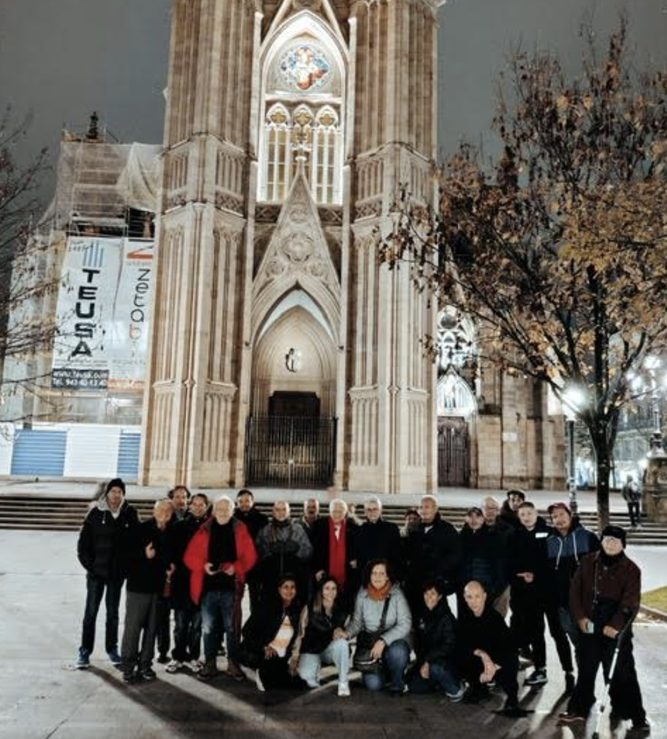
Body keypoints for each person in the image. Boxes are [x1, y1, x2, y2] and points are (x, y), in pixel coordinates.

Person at [558, 526, 650, 735]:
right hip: (590, 623)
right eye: (607, 540)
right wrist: (580, 617)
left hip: (616, 628)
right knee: (587, 670)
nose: (610, 544)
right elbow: (575, 591)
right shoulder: (588, 561)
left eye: (615, 541)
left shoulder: (631, 569)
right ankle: (577, 709)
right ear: (601, 541)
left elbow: (631, 602)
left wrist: (616, 625)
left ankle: (637, 717)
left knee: (623, 673)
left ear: (623, 545)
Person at [183, 495, 258, 681]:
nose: (222, 512)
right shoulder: (204, 529)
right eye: (219, 509)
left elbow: (251, 556)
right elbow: (189, 556)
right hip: (208, 588)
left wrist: (236, 568)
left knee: (232, 627)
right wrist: (203, 566)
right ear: (214, 510)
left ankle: (233, 664)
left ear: (233, 510)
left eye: (226, 509)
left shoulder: (240, 528)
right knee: (208, 628)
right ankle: (210, 664)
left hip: (231, 588)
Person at [75, 478, 138, 669]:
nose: (116, 495)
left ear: (123, 494)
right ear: (107, 493)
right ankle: (85, 651)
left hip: (116, 576)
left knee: (113, 614)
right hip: (96, 574)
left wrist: (126, 569)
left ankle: (112, 649)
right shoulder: (95, 513)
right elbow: (82, 545)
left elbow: (136, 543)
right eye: (113, 491)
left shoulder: (130, 513)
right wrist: (91, 567)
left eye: (120, 491)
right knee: (91, 613)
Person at [510, 501, 567, 688]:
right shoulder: (515, 534)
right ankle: (541, 669)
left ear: (536, 513)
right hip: (527, 594)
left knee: (557, 632)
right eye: (522, 514)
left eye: (529, 513)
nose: (526, 517)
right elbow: (510, 563)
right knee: (536, 632)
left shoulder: (549, 532)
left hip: (549, 592)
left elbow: (554, 563)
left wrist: (537, 575)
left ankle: (569, 669)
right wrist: (520, 575)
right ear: (519, 517)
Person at [121, 498, 175, 682]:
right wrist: (143, 555)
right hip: (138, 588)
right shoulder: (140, 529)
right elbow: (125, 557)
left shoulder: (170, 532)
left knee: (152, 630)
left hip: (158, 590)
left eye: (169, 511)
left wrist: (170, 568)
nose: (165, 513)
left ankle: (145, 665)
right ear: (154, 512)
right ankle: (128, 667)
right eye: (161, 510)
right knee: (133, 629)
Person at [340, 559, 412, 695]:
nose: (377, 577)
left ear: (387, 576)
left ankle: (397, 683)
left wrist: (384, 640)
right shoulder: (362, 594)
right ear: (369, 575)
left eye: (381, 573)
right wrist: (347, 633)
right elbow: (357, 622)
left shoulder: (397, 594)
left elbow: (406, 623)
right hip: (371, 644)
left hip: (394, 642)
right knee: (374, 685)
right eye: (374, 573)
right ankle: (386, 672)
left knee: (398, 653)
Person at [456, 580, 524, 716]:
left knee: (511, 659)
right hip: (480, 661)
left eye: (477, 596)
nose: (473, 601)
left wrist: (494, 666)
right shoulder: (464, 619)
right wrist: (482, 655)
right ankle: (478, 686)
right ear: (464, 598)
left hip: (497, 661)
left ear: (484, 596)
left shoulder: (495, 618)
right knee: (459, 656)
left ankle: (512, 699)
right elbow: (462, 645)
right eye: (469, 597)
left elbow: (508, 648)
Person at [546, 502, 599, 664]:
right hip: (562, 600)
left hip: (587, 600)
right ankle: (584, 668)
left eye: (562, 514)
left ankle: (586, 675)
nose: (559, 519)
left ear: (570, 515)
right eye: (554, 517)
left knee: (589, 635)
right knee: (573, 634)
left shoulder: (588, 536)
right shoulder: (549, 541)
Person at [166, 492, 210, 674]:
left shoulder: (211, 528)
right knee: (181, 624)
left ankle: (193, 657)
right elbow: (173, 553)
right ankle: (177, 656)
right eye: (195, 504)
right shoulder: (180, 526)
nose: (198, 507)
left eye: (202, 504)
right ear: (190, 506)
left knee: (197, 626)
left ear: (206, 507)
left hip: (203, 583)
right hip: (182, 583)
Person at [238, 575, 304, 691]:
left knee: (298, 684)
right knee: (269, 684)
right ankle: (258, 672)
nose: (289, 591)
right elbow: (246, 630)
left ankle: (273, 672)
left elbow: (298, 636)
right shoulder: (267, 606)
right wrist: (264, 647)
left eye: (292, 587)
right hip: (262, 653)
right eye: (286, 587)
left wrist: (293, 659)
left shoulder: (296, 610)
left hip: (281, 656)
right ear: (279, 590)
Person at [408, 579, 465, 701]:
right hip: (428, 661)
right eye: (426, 594)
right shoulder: (421, 615)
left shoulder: (446, 617)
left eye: (433, 594)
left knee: (436, 668)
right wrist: (421, 664)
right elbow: (419, 644)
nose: (429, 597)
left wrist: (428, 662)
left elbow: (448, 646)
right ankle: (439, 684)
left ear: (439, 597)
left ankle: (457, 688)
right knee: (413, 686)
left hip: (446, 662)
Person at [293, 577, 351, 696]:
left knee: (342, 643)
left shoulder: (342, 609)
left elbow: (349, 631)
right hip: (312, 649)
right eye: (327, 588)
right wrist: (295, 658)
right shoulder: (309, 608)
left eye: (334, 589)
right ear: (320, 590)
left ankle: (343, 682)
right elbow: (300, 634)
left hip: (329, 650)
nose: (331, 592)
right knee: (306, 676)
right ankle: (315, 666)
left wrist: (343, 631)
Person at [405, 494, 460, 617]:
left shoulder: (447, 529)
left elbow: (455, 556)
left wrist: (439, 571)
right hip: (416, 584)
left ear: (435, 509)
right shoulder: (415, 529)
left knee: (437, 618)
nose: (424, 510)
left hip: (436, 585)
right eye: (421, 507)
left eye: (427, 507)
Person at [154, 485, 189, 663]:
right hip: (165, 574)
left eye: (184, 497)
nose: (180, 500)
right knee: (163, 616)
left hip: (182, 575)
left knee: (181, 618)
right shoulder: (165, 518)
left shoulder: (191, 518)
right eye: (177, 497)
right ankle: (162, 650)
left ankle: (180, 651)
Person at [255, 500, 313, 600]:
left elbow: (308, 550)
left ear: (289, 511)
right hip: (272, 577)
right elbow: (257, 550)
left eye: (284, 509)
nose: (281, 512)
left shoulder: (298, 529)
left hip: (294, 576)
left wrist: (296, 551)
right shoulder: (265, 530)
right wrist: (269, 552)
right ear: (273, 512)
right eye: (277, 510)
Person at [457, 506, 507, 615]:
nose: (474, 520)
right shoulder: (460, 538)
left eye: (477, 516)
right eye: (470, 516)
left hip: (486, 591)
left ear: (483, 518)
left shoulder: (494, 538)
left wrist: (493, 591)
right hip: (465, 593)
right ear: (466, 519)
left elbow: (501, 568)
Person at [311, 499, 357, 601]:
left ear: (345, 512)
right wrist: (316, 569)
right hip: (324, 571)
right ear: (329, 511)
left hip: (346, 573)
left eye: (340, 511)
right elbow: (313, 551)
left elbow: (356, 549)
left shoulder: (353, 528)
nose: (337, 514)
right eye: (334, 511)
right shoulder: (318, 526)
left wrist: (355, 559)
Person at [234, 488, 269, 611]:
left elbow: (265, 542)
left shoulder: (262, 519)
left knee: (256, 599)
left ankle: (254, 628)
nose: (244, 504)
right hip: (237, 563)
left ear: (252, 502)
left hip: (256, 564)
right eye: (241, 501)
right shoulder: (232, 518)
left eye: (247, 501)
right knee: (235, 600)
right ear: (237, 503)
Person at [353, 496, 402, 577]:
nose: (372, 512)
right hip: (366, 576)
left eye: (375, 509)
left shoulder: (392, 528)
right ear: (365, 511)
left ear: (381, 510)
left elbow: (397, 555)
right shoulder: (359, 530)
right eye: (369, 509)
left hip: (386, 575)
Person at [481, 496, 513, 617]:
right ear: (481, 510)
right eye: (487, 508)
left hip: (503, 582)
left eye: (493, 508)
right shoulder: (473, 528)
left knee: (499, 618)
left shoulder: (508, 530)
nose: (490, 511)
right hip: (479, 583)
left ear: (498, 510)